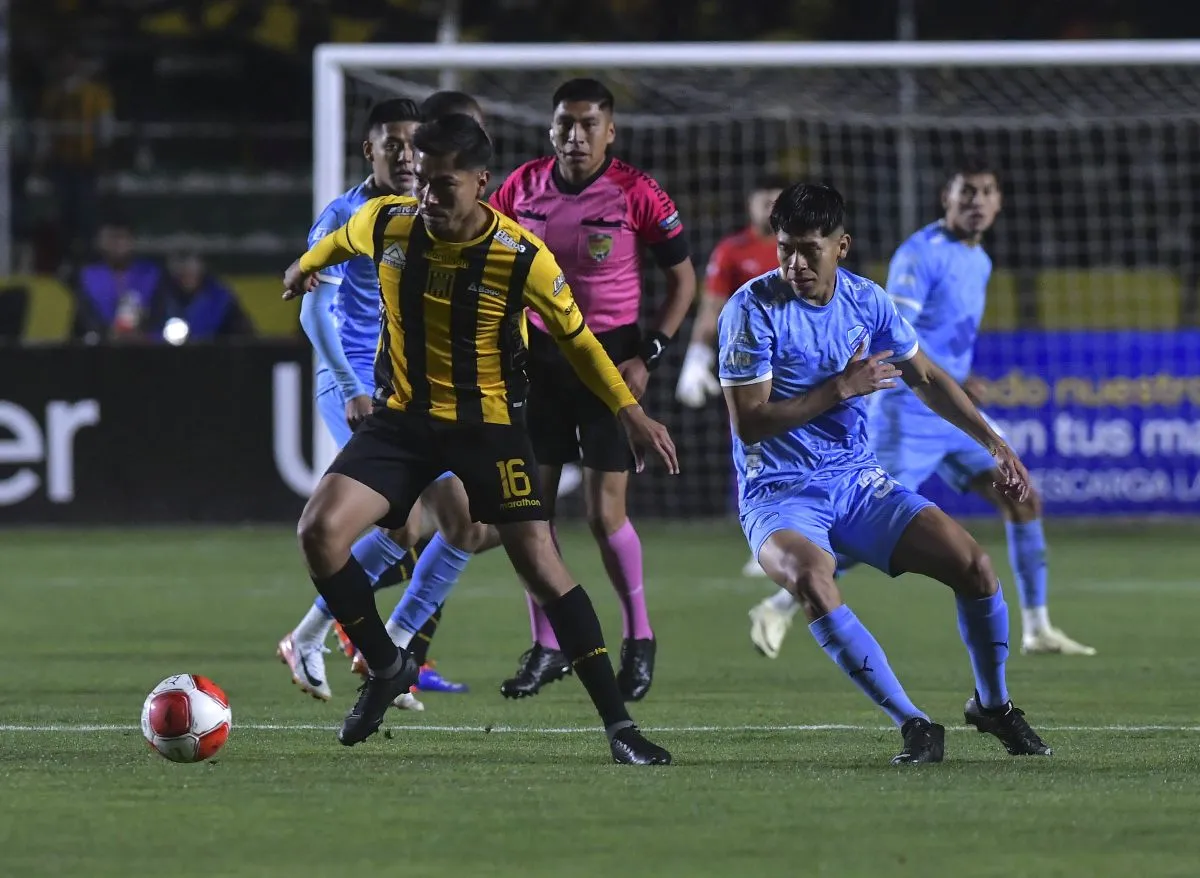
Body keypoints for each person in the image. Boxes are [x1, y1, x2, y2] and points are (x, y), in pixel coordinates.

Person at [282, 113, 677, 765]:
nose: (429, 197)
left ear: (481, 183)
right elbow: (336, 243)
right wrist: (303, 266)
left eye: (445, 185)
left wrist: (630, 412)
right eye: (424, 182)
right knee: (319, 533)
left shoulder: (520, 256)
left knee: (541, 564)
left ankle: (620, 728)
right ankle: (387, 666)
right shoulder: (388, 222)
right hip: (401, 422)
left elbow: (580, 343)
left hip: (487, 429)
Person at [717, 181, 1051, 764]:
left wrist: (995, 442)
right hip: (779, 494)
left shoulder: (866, 301)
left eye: (810, 250)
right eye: (786, 249)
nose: (795, 264)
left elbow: (927, 376)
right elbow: (750, 423)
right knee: (812, 580)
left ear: (840, 246)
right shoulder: (750, 309)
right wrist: (841, 388)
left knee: (975, 567)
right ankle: (914, 723)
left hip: (857, 482)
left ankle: (993, 705)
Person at [747, 160, 1096, 660]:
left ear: (999, 202)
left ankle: (1038, 628)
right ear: (945, 198)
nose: (976, 202)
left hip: (947, 413)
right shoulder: (920, 253)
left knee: (1022, 499)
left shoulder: (979, 259)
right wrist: (941, 376)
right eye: (966, 191)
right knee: (871, 525)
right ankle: (781, 602)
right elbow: (894, 335)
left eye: (986, 192)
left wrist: (962, 387)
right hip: (907, 411)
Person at [489, 78, 696, 702]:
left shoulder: (638, 192)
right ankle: (547, 645)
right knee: (528, 513)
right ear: (550, 128)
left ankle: (639, 636)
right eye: (565, 124)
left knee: (604, 516)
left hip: (609, 360)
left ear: (610, 132)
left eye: (588, 125)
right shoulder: (520, 187)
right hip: (538, 358)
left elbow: (684, 280)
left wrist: (650, 353)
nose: (575, 136)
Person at [277, 97, 477, 709]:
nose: (406, 155)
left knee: (465, 523)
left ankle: (369, 644)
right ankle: (359, 647)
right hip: (356, 381)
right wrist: (351, 387)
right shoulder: (345, 215)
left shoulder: (427, 211)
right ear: (370, 150)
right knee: (405, 523)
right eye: (393, 144)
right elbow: (313, 312)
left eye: (415, 144)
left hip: (409, 383)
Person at [675, 175, 787, 578]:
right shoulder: (732, 251)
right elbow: (712, 308)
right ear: (749, 204)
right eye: (764, 199)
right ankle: (768, 541)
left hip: (800, 366)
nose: (770, 207)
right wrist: (696, 358)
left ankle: (806, 534)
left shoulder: (801, 248)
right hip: (750, 372)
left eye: (777, 200)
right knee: (754, 455)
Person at [150, 252, 253, 342]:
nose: (188, 267)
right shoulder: (158, 294)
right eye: (182, 260)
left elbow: (245, 337)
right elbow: (149, 332)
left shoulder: (220, 297)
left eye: (195, 261)